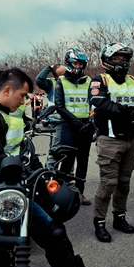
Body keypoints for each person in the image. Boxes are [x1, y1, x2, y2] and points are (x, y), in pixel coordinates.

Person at [0, 68, 108, 267]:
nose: (24, 101)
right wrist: (30, 175)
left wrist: (38, 172)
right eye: (22, 95)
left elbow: (17, 151)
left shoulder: (1, 111)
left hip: (9, 188)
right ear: (7, 90)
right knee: (53, 231)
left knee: (56, 225)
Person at [89, 42, 134, 242]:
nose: (121, 63)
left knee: (124, 183)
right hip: (110, 140)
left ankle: (119, 217)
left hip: (132, 139)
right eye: (116, 59)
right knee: (108, 183)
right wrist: (130, 111)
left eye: (124, 59)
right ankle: (99, 221)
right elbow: (100, 104)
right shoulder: (100, 80)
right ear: (106, 61)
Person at [54, 48, 93, 206]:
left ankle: (79, 193)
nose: (78, 66)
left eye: (81, 63)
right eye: (75, 63)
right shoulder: (61, 81)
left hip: (87, 126)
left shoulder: (90, 81)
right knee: (67, 160)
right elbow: (59, 106)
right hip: (69, 126)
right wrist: (76, 122)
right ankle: (58, 194)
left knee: (83, 162)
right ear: (68, 64)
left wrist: (91, 121)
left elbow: (94, 103)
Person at [35, 62, 66, 170]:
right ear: (56, 76)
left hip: (70, 120)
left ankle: (67, 175)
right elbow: (39, 79)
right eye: (63, 73)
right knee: (55, 149)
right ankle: (49, 173)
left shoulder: (70, 82)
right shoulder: (51, 83)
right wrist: (49, 67)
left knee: (68, 151)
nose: (66, 74)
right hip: (58, 120)